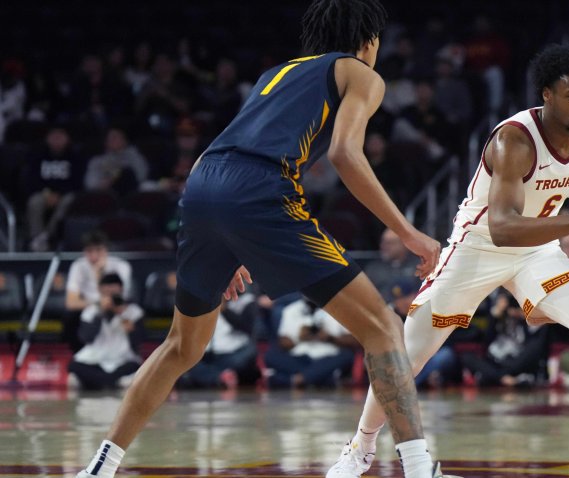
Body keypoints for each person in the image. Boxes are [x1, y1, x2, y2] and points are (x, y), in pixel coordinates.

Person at [75, 2, 447, 478]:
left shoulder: (278, 72)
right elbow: (344, 153)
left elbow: (225, 151)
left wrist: (231, 244)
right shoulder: (360, 73)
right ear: (369, 39)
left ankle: (99, 469)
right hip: (260, 190)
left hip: (203, 184)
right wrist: (408, 232)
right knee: (382, 329)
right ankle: (419, 469)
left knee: (182, 347)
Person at [327, 43, 569, 478]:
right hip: (478, 247)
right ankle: (359, 450)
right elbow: (503, 227)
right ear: (547, 95)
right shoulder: (513, 140)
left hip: (536, 251)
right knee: (409, 356)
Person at [67, 274, 144, 390]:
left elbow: (138, 343)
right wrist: (101, 312)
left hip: (122, 360)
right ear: (100, 292)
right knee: (74, 366)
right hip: (95, 359)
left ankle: (99, 381)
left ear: (121, 290)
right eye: (106, 294)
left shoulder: (134, 312)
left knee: (136, 367)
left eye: (114, 294)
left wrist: (129, 326)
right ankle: (111, 381)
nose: (110, 297)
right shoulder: (91, 312)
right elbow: (86, 338)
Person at [263, 296, 358, 388]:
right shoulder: (291, 310)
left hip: (328, 356)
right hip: (301, 357)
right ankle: (319, 377)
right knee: (270, 356)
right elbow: (283, 342)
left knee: (347, 355)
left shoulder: (338, 308)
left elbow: (353, 341)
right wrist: (299, 337)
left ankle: (296, 379)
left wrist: (330, 338)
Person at [65, 230, 133, 353]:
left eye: (99, 250)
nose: (94, 256)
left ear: (106, 249)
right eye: (90, 251)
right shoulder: (78, 266)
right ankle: (78, 354)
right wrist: (97, 304)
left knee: (133, 312)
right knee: (73, 317)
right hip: (90, 308)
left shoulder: (122, 266)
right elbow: (71, 302)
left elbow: (122, 297)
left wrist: (100, 274)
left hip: (116, 308)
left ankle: (129, 355)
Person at [177, 296, 260, 390]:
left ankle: (210, 376)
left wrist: (225, 310)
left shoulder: (246, 302)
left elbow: (248, 328)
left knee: (250, 351)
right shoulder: (198, 303)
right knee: (186, 359)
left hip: (232, 353)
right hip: (206, 354)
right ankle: (220, 376)